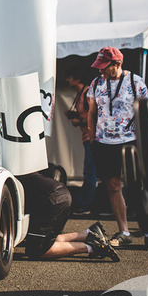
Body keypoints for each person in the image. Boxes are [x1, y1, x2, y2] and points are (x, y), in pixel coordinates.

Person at [87, 46, 148, 249]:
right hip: (104, 143)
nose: (101, 71)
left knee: (136, 187)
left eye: (104, 67)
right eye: (99, 67)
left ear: (117, 64)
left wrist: (146, 140)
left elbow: (145, 112)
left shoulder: (135, 82)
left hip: (130, 141)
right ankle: (124, 231)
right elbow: (92, 112)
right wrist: (91, 135)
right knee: (113, 186)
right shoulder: (96, 83)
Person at [64, 66, 98, 215]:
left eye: (69, 77)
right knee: (91, 171)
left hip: (92, 137)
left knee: (90, 172)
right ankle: (86, 203)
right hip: (87, 137)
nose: (67, 80)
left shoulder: (87, 94)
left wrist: (79, 121)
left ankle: (85, 204)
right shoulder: (82, 94)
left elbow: (95, 116)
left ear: (77, 79)